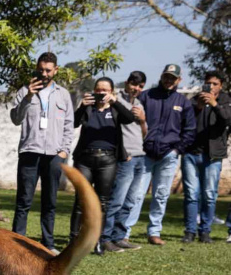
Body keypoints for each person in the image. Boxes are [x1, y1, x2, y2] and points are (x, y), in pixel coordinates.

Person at [10, 52, 74, 252]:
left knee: (50, 202)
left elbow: (69, 124)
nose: (44, 73)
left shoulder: (63, 94)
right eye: (41, 69)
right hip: (30, 152)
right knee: (23, 201)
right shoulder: (24, 91)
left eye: (48, 70)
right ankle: (16, 244)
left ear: (55, 70)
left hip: (54, 155)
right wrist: (28, 96)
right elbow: (15, 118)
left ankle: (48, 244)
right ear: (37, 68)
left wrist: (64, 151)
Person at [70, 77, 136, 254]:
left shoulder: (115, 109)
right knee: (81, 200)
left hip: (107, 161)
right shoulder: (88, 108)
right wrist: (82, 106)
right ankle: (74, 240)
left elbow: (130, 118)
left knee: (102, 203)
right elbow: (73, 123)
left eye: (105, 90)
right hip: (85, 158)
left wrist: (115, 102)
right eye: (98, 90)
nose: (100, 93)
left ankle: (98, 241)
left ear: (111, 92)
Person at [137, 64, 196, 246]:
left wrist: (176, 150)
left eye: (173, 77)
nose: (169, 80)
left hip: (168, 155)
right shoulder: (146, 96)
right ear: (161, 76)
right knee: (137, 194)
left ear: (179, 80)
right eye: (166, 76)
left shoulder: (183, 102)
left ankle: (154, 232)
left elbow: (190, 130)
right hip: (145, 153)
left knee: (161, 195)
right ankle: (124, 230)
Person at [180, 71, 231, 243]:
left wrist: (215, 104)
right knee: (191, 195)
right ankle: (189, 231)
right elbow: (184, 122)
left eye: (215, 84)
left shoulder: (226, 100)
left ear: (221, 85)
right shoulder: (194, 100)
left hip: (213, 155)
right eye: (208, 83)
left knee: (209, 195)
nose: (211, 87)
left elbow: (227, 120)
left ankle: (205, 232)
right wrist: (199, 107)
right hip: (191, 153)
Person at [103, 71, 149, 251]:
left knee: (131, 201)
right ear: (127, 83)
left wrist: (143, 120)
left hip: (140, 156)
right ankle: (105, 238)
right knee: (117, 199)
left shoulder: (139, 104)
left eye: (140, 86)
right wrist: (122, 153)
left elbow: (144, 133)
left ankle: (119, 236)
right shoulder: (116, 100)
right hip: (126, 157)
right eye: (134, 84)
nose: (136, 88)